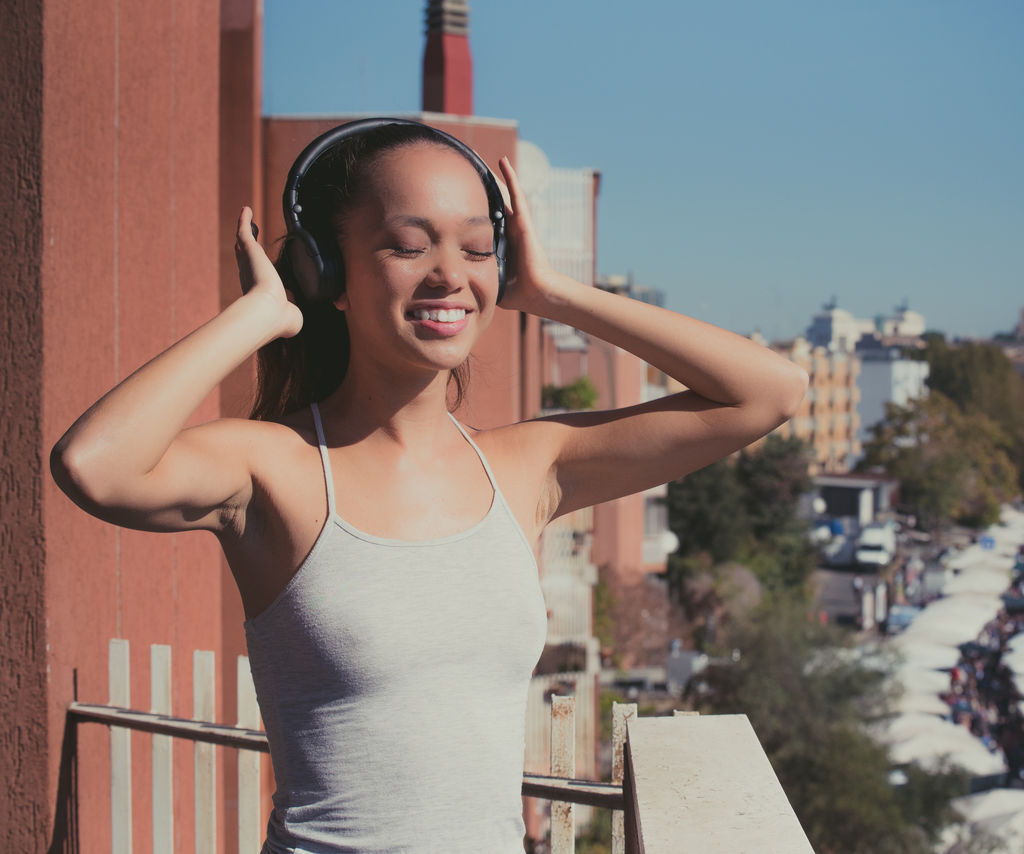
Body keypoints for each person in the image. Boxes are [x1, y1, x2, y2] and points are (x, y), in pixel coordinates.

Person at [48, 120, 809, 853]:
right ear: (329, 272)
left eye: (479, 249)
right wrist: (259, 315)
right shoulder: (272, 467)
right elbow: (94, 464)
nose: (451, 274)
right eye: (409, 246)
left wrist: (552, 295)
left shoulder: (526, 466)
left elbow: (767, 392)